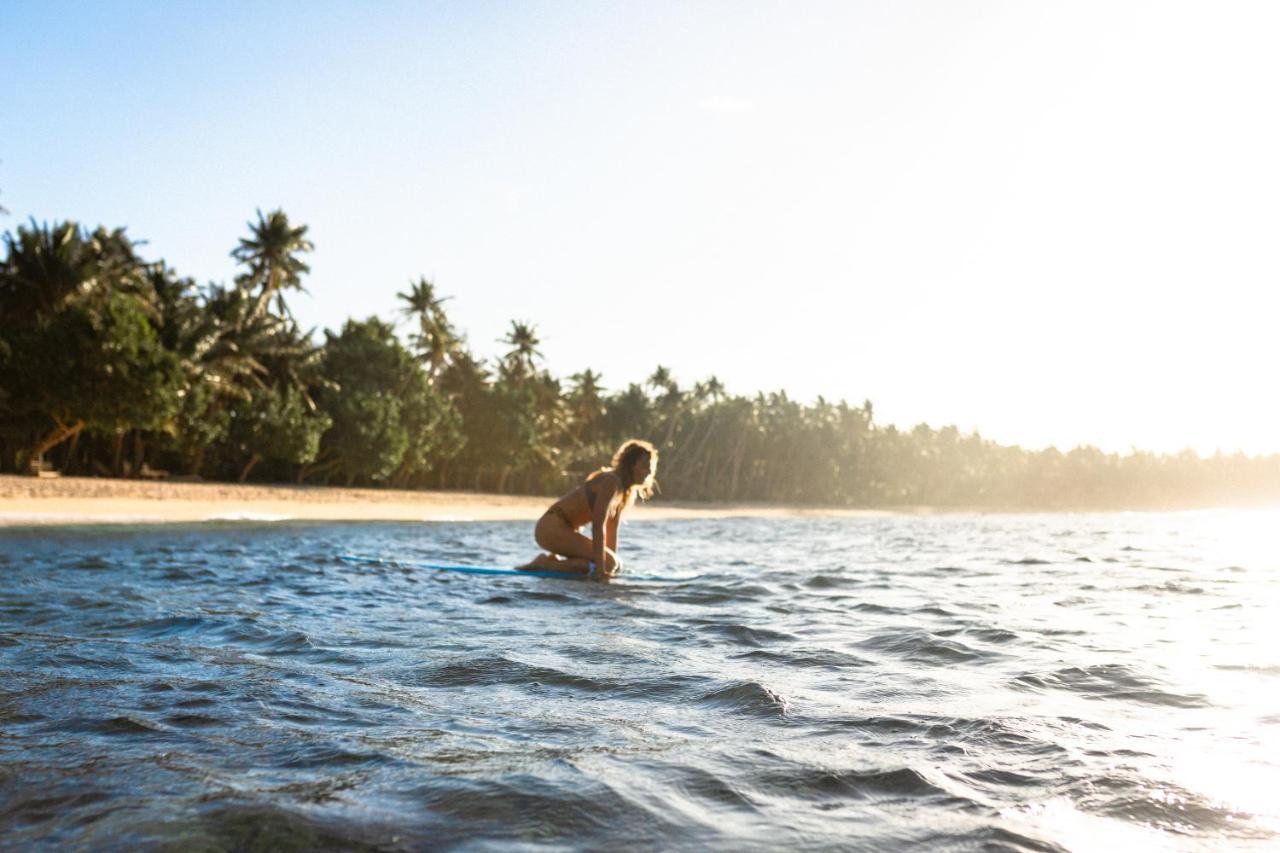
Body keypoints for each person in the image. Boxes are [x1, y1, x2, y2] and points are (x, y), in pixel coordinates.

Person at [518, 439, 658, 579]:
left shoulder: (624, 493)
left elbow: (611, 531)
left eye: (651, 466)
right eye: (645, 465)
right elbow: (598, 526)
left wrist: (610, 568)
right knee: (608, 563)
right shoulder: (610, 482)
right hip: (551, 529)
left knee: (614, 563)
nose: (650, 471)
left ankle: (555, 562)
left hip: (564, 529)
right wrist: (601, 569)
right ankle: (544, 564)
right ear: (630, 465)